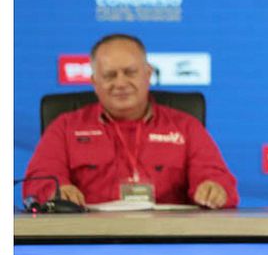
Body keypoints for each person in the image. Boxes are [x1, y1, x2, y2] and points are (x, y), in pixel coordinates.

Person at [22, 34, 238, 209]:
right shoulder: (65, 127)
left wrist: (214, 189)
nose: (120, 83)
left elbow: (219, 181)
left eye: (130, 72)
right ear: (94, 82)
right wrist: (55, 191)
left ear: (148, 74)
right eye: (110, 75)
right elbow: (38, 181)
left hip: (168, 239)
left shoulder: (185, 127)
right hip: (88, 239)